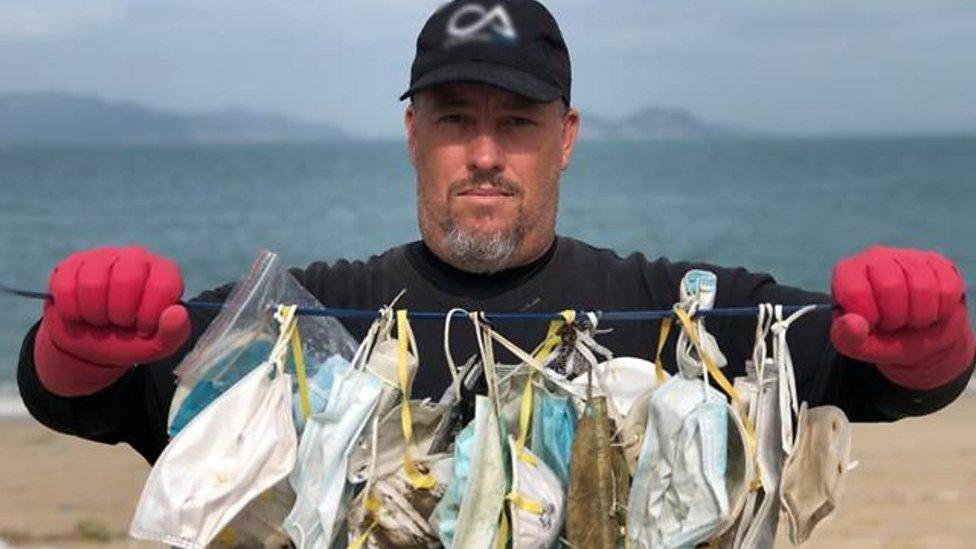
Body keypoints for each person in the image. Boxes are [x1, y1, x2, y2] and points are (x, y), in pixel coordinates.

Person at [17, 0, 974, 465]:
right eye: (453, 120)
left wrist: (929, 333)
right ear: (411, 136)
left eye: (515, 124)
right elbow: (111, 396)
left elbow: (871, 372)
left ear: (564, 139)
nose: (483, 152)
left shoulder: (666, 310)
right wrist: (74, 340)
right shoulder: (304, 325)